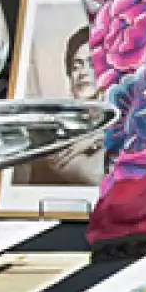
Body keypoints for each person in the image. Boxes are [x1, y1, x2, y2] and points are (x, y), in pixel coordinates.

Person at [20, 26, 105, 186]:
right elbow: (98, 175)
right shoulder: (52, 128)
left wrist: (99, 137)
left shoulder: (127, 122)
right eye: (76, 66)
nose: (83, 73)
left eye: (91, 64)